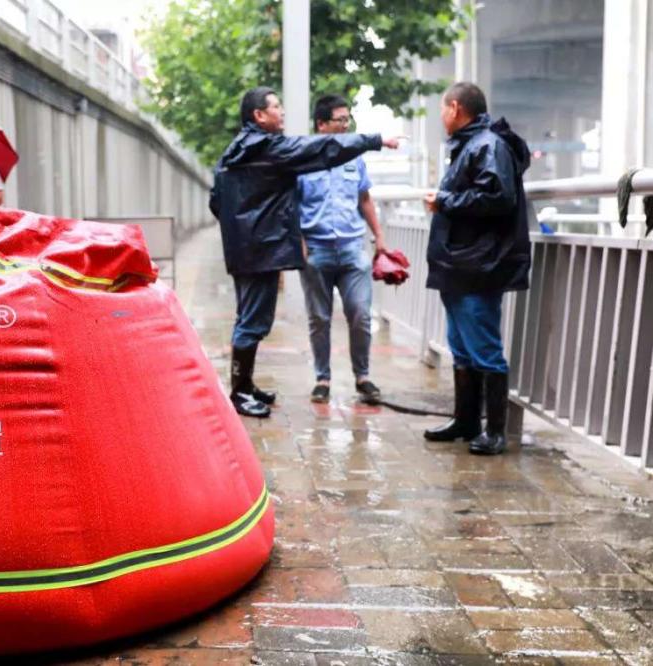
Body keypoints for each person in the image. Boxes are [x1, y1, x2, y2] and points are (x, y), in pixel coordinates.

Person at [210, 87, 398, 418]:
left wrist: (244, 231)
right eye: (276, 107)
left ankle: (247, 386)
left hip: (251, 247)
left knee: (252, 317)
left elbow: (217, 201)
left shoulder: (237, 149)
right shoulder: (267, 147)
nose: (282, 112)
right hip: (259, 249)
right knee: (252, 321)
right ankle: (239, 394)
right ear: (259, 115)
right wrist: (374, 139)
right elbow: (322, 149)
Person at [422, 82, 531, 456]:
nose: (441, 116)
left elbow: (498, 198)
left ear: (455, 108)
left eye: (442, 109)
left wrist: (445, 199)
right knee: (462, 347)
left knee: (484, 348)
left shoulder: (487, 145)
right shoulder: (472, 144)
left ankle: (495, 432)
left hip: (478, 265)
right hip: (462, 264)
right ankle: (466, 421)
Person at [297, 94, 387, 405]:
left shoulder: (354, 159)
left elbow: (364, 200)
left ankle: (362, 376)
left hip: (352, 249)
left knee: (361, 314)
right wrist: (300, 244)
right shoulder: (303, 160)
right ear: (321, 124)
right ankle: (322, 378)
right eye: (340, 120)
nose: (346, 125)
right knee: (319, 318)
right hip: (317, 252)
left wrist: (379, 237)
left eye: (348, 120)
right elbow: (291, 206)